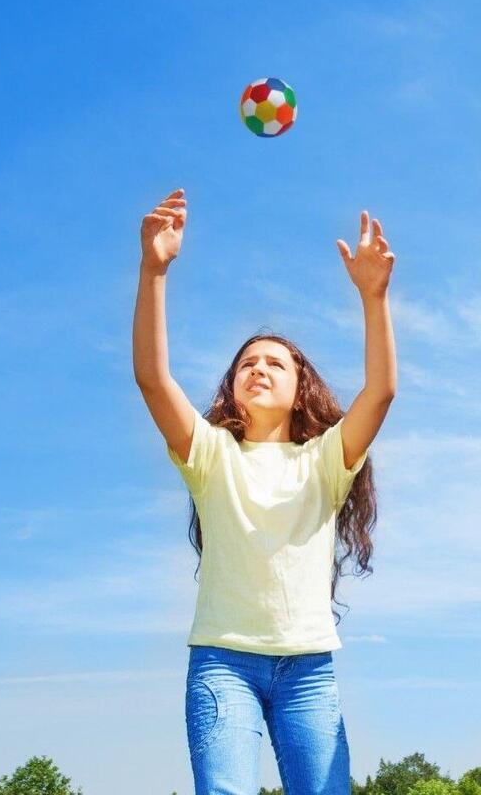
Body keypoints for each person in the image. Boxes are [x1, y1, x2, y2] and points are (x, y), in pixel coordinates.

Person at [132, 187, 397, 795]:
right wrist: (154, 270)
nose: (260, 368)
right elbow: (151, 378)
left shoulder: (326, 462)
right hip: (223, 665)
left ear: (300, 386)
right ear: (232, 385)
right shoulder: (210, 455)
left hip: (309, 671)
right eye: (248, 361)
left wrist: (373, 297)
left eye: (276, 362)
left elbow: (379, 392)